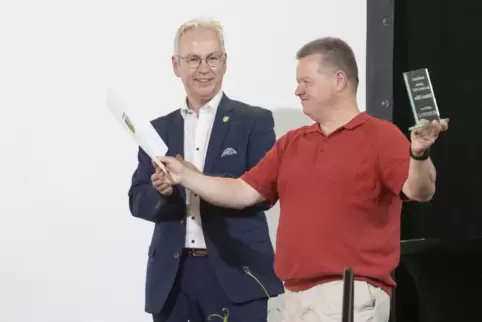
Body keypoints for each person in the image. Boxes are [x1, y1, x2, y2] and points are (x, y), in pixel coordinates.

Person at [157, 37, 449, 322]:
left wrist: (419, 155)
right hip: (295, 297)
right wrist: (187, 176)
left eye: (305, 82)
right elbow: (241, 192)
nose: (297, 91)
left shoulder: (380, 135)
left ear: (338, 80)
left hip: (348, 293)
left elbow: (419, 190)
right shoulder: (293, 142)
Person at [127, 19, 284, 322]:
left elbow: (265, 192)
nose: (204, 69)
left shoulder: (254, 121)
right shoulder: (158, 130)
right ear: (176, 65)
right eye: (194, 59)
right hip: (173, 280)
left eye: (213, 58)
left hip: (236, 273)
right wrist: (162, 191)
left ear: (225, 62)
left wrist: (193, 179)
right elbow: (137, 200)